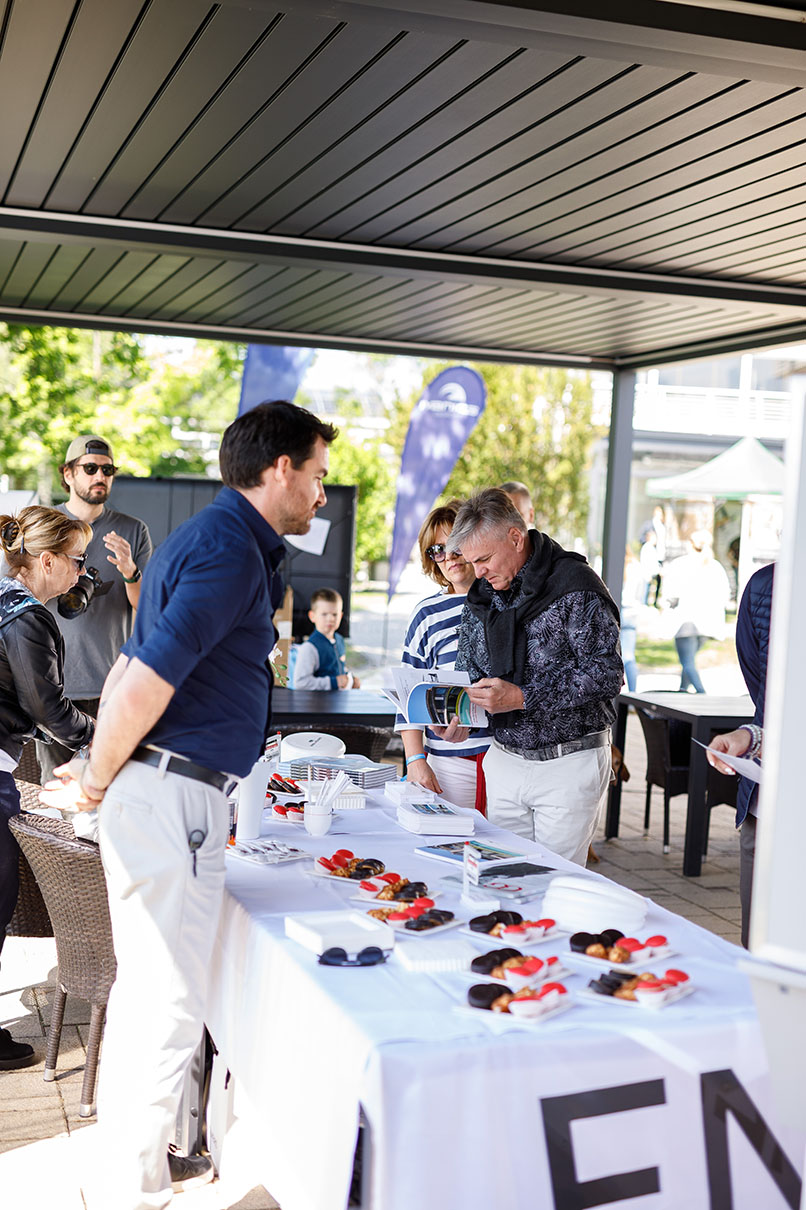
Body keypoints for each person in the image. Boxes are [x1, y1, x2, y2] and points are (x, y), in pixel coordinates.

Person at [40, 400, 337, 1209]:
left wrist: (102, 769)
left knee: (154, 1005)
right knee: (167, 1008)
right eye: (316, 475)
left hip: (170, 788)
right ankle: (129, 1191)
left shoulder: (209, 538)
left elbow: (131, 664)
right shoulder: (228, 549)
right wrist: (95, 781)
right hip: (174, 793)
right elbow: (142, 679)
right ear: (280, 468)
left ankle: (125, 1180)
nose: (322, 494)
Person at [448, 489, 622, 863]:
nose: (478, 572)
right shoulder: (482, 595)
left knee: (556, 882)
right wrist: (460, 716)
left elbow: (607, 674)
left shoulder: (576, 586)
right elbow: (470, 672)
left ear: (516, 537)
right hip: (504, 761)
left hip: (568, 764)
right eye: (472, 562)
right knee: (505, 879)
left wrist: (523, 697)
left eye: (484, 559)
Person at [0, 507, 94, 1069]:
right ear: (49, 560)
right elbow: (48, 708)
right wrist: (104, 737)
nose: (82, 572)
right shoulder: (26, 616)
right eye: (78, 560)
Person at [36, 434, 153, 783]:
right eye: (90, 468)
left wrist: (131, 571)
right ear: (68, 473)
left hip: (111, 687)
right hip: (52, 686)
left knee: (111, 787)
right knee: (56, 791)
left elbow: (147, 608)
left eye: (107, 470)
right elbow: (16, 594)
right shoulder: (44, 525)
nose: (100, 476)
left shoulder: (133, 530)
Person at [397, 500, 492, 812]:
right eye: (436, 550)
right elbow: (407, 695)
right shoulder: (426, 614)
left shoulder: (504, 601)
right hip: (449, 763)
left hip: (505, 755)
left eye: (455, 545)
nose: (448, 557)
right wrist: (415, 760)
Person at [706, 561, 773, 947]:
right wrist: (752, 736)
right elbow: (768, 696)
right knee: (757, 946)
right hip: (767, 809)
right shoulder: (765, 586)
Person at [662, 530, 730, 693]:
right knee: (689, 661)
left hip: (685, 622)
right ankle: (683, 690)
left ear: (691, 544)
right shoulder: (715, 566)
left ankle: (701, 693)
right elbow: (725, 595)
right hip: (707, 623)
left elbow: (671, 594)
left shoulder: (681, 564)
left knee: (687, 662)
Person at [292, 588, 361, 689]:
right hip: (320, 699)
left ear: (341, 616)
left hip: (338, 697)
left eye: (335, 614)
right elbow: (300, 683)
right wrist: (333, 682)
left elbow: (337, 668)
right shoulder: (309, 647)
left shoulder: (339, 640)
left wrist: (351, 679)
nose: (331, 619)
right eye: (324, 614)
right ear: (312, 616)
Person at [620, 546, 644, 692]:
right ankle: (633, 692)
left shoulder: (616, 565)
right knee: (629, 655)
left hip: (620, 609)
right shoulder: (636, 567)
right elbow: (641, 593)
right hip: (631, 612)